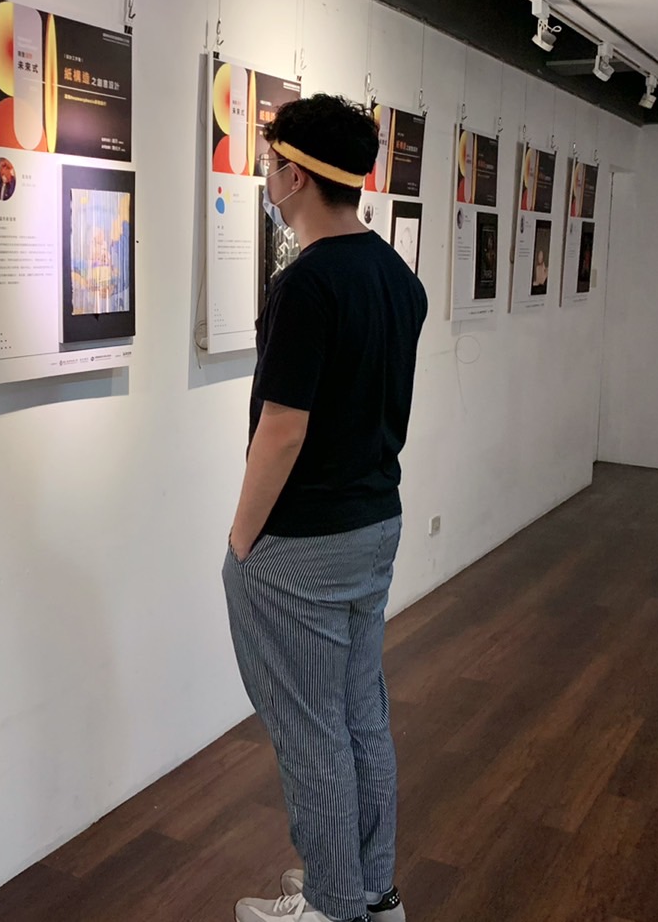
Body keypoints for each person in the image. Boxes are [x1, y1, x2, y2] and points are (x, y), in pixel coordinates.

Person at [223, 94, 427, 922]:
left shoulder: (306, 285)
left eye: (272, 162)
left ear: (297, 175)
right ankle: (374, 893)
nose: (268, 177)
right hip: (375, 525)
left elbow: (283, 429)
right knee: (360, 716)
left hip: (302, 544)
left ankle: (334, 905)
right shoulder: (398, 278)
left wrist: (242, 542)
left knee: (310, 732)